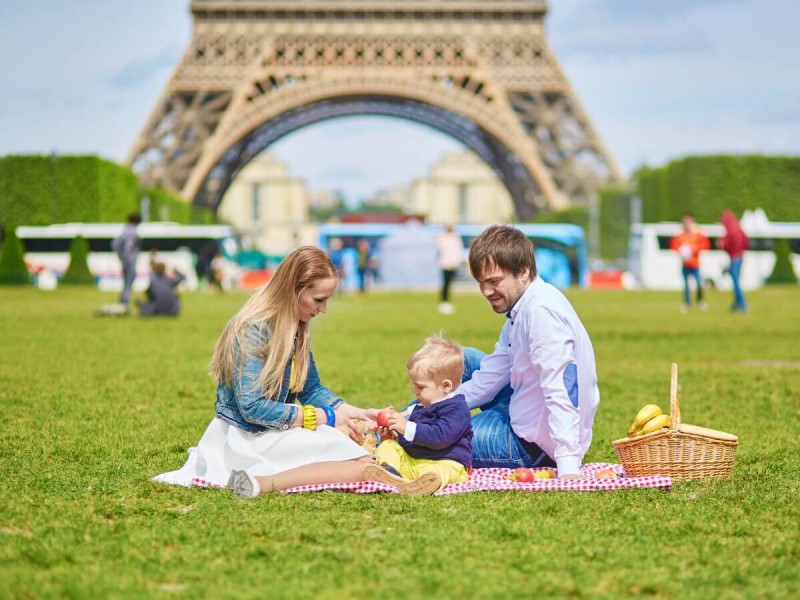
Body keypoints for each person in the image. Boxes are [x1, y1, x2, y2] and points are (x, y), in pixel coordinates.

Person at [153, 246, 440, 497]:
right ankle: (269, 482)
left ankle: (365, 472)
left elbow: (311, 389)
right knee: (353, 457)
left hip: (267, 433)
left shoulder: (294, 327)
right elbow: (252, 408)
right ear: (294, 289)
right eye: (319, 300)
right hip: (246, 438)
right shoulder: (254, 329)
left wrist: (352, 411)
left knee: (350, 447)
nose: (324, 309)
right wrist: (324, 417)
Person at [442, 225, 599, 479]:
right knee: (464, 359)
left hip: (534, 446)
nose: (486, 292)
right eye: (481, 283)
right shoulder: (522, 307)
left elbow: (562, 388)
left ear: (523, 271)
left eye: (494, 281)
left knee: (437, 437)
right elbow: (490, 376)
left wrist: (568, 465)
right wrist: (432, 409)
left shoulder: (540, 313)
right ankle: (406, 420)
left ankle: (384, 435)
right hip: (523, 408)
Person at [372, 334, 473, 492]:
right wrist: (395, 435)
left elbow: (440, 437)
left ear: (445, 386)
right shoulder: (421, 406)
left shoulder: (457, 409)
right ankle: (390, 473)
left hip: (445, 462)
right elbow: (413, 439)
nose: (415, 391)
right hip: (415, 462)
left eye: (420, 387)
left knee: (442, 472)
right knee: (388, 446)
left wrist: (406, 427)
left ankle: (426, 484)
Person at [669, 214, 710, 312]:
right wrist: (681, 251)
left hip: (695, 264)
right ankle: (687, 303)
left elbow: (705, 244)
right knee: (686, 285)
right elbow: (673, 245)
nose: (687, 223)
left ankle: (700, 301)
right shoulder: (680, 235)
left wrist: (695, 249)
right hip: (685, 264)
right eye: (685, 221)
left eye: (688, 221)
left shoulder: (697, 234)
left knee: (699, 283)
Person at [717, 210, 749, 313]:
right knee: (736, 281)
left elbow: (726, 244)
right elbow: (745, 240)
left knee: (736, 282)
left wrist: (722, 244)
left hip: (734, 257)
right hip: (739, 256)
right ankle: (736, 304)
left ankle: (742, 305)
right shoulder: (739, 228)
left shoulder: (730, 230)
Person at [111, 213, 141, 307]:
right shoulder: (133, 232)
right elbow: (129, 247)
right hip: (130, 261)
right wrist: (127, 258)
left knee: (125, 283)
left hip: (125, 260)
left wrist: (120, 256)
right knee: (128, 283)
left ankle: (122, 301)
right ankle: (124, 303)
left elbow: (114, 244)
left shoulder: (125, 230)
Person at [435, 225, 465, 314]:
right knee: (445, 283)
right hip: (445, 264)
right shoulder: (442, 238)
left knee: (450, 283)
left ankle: (447, 301)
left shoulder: (455, 238)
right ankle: (444, 301)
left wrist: (457, 262)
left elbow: (458, 251)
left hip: (453, 264)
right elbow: (441, 250)